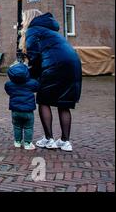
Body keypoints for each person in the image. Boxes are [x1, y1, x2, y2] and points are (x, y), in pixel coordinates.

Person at [20, 9, 82, 152]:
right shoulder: (51, 31)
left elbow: (34, 57)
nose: (22, 23)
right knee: (64, 103)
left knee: (44, 101)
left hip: (54, 65)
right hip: (73, 65)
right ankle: (65, 141)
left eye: (23, 19)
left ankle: (49, 139)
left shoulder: (33, 30)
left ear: (29, 19)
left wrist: (30, 75)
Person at [4, 62, 39, 150]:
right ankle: (27, 143)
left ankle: (17, 142)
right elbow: (37, 87)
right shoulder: (32, 83)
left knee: (17, 126)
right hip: (28, 111)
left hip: (15, 111)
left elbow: (8, 91)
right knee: (28, 127)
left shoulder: (9, 84)